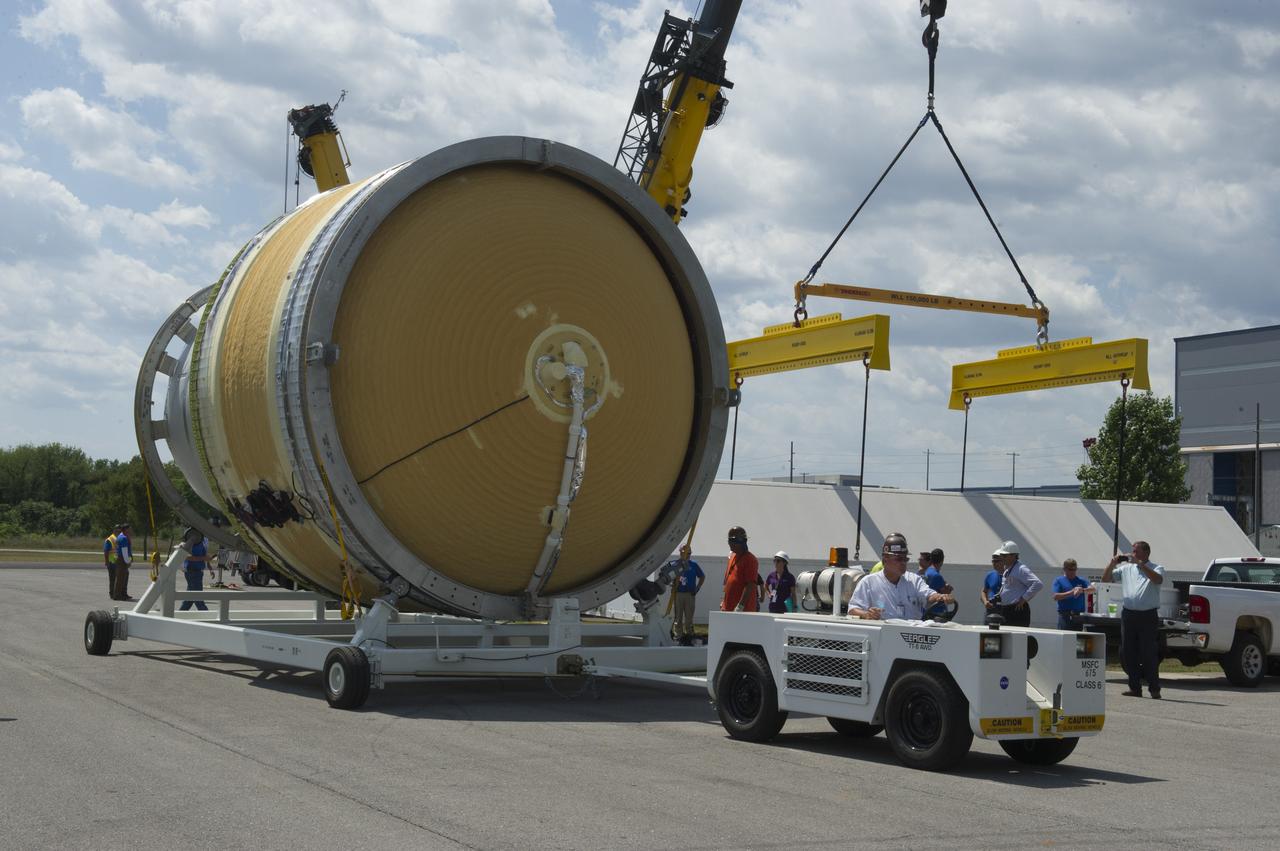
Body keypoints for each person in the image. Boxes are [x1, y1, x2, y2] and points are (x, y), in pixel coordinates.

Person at [1102, 541, 1165, 699]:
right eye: (1132, 551)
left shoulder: (1156, 567)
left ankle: (1154, 688)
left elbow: (1158, 580)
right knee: (1128, 651)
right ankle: (1135, 687)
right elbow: (1106, 579)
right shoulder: (1126, 569)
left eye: (1136, 551)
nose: (1132, 554)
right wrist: (1112, 564)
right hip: (1129, 614)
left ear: (1146, 553)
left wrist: (1141, 565)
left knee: (1148, 652)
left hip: (1148, 615)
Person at [848, 533, 953, 620]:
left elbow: (929, 595)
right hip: (883, 637)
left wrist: (940, 596)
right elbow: (852, 609)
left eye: (905, 559)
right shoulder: (868, 582)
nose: (903, 562)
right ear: (885, 560)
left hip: (911, 639)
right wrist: (866, 614)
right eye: (898, 559)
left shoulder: (914, 580)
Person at [993, 540, 1042, 627]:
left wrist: (1024, 598)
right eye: (1001, 555)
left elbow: (1037, 583)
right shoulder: (1008, 569)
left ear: (1014, 556)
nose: (1002, 558)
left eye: (1004, 555)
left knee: (1017, 638)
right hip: (1006, 609)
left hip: (1017, 610)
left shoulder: (1021, 569)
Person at [720, 526, 762, 612]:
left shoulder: (750, 560)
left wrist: (740, 606)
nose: (729, 543)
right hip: (728, 608)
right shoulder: (732, 557)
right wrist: (724, 602)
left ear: (742, 542)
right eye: (729, 541)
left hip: (742, 611)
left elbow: (750, 585)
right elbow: (728, 582)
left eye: (732, 541)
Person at [668, 544, 704, 646]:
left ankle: (689, 635)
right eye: (685, 553)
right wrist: (673, 584)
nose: (688, 555)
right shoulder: (675, 564)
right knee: (678, 616)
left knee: (689, 617)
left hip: (690, 594)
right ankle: (678, 636)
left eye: (689, 553)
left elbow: (702, 576)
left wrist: (697, 588)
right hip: (678, 594)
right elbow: (669, 578)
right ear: (680, 553)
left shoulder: (693, 565)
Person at [1051, 558, 1093, 631]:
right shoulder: (1059, 580)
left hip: (1079, 616)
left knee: (1078, 639)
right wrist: (1072, 592)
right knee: (1065, 638)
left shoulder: (1081, 580)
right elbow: (1055, 596)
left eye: (1075, 569)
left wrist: (1081, 590)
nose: (1073, 572)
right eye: (1070, 570)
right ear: (1064, 569)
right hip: (1065, 615)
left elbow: (1092, 589)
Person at [179, 536, 212, 612]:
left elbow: (204, 556)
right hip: (192, 572)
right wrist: (204, 558)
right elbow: (187, 557)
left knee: (189, 599)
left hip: (197, 572)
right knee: (198, 598)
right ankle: (207, 616)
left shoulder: (202, 542)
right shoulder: (190, 542)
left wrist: (208, 563)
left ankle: (179, 615)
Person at [918, 547, 950, 616]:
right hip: (936, 612)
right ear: (942, 561)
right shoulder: (936, 576)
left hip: (925, 610)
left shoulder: (926, 572)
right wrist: (949, 589)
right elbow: (945, 593)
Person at [113, 523, 134, 602]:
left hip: (122, 558)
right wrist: (128, 561)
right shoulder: (123, 538)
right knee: (121, 578)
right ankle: (118, 595)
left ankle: (123, 594)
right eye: (129, 529)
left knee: (124, 576)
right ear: (126, 529)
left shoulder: (122, 536)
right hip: (122, 559)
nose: (131, 530)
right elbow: (124, 551)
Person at [102, 524, 121, 599]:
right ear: (114, 530)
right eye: (117, 530)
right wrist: (106, 561)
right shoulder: (110, 539)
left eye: (119, 530)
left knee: (117, 578)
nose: (118, 531)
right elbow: (106, 551)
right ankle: (112, 594)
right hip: (111, 562)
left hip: (117, 561)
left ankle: (116, 593)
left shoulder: (118, 538)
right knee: (113, 579)